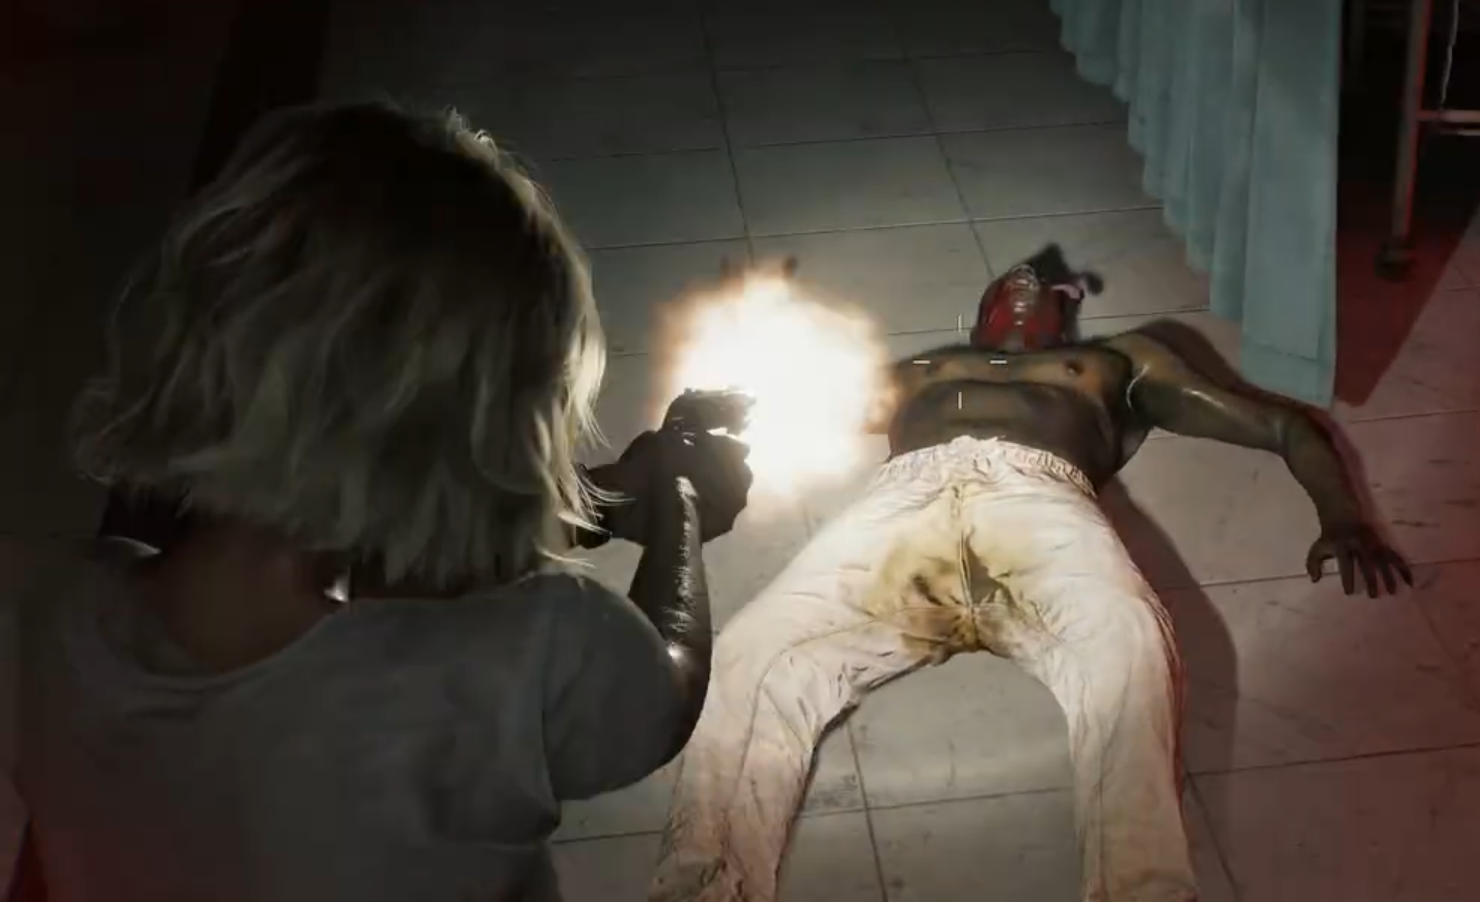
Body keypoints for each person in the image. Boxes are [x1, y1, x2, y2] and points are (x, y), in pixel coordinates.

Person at [0, 101, 752, 902]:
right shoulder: (530, 656)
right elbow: (664, 694)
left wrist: (597, 502)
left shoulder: (41, 614)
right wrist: (678, 502)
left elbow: (360, 543)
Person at [649, 244, 1410, 902]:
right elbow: (787, 409)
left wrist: (1343, 514)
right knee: (754, 652)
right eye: (1007, 281)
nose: (1025, 277)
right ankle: (703, 888)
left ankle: (1140, 890)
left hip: (1040, 499)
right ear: (979, 311)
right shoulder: (919, 368)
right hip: (901, 505)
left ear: (1066, 309)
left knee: (1128, 645)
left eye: (1043, 283)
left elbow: (1279, 422)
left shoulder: (1119, 361)